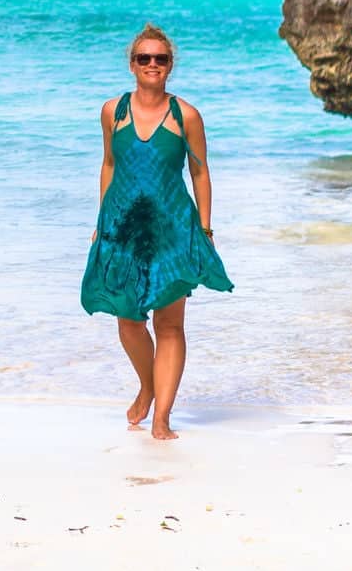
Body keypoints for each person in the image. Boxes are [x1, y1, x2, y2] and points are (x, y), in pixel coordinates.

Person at [80, 23, 233, 440]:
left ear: (170, 66)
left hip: (172, 228)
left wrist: (204, 227)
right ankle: (148, 387)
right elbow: (109, 164)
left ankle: (162, 416)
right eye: (144, 58)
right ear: (132, 64)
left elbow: (200, 172)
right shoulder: (113, 111)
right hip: (122, 226)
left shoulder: (187, 116)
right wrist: (99, 222)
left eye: (160, 59)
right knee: (127, 319)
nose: (152, 64)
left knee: (169, 325)